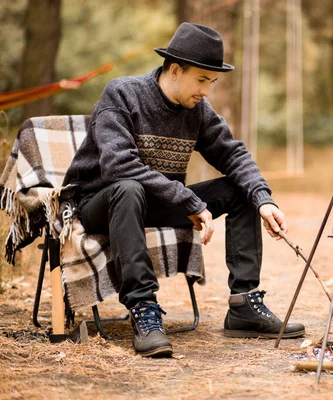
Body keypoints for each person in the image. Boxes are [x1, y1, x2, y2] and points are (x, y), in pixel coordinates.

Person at [63, 22, 305, 357]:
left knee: (241, 190)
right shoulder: (122, 94)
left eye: (212, 82)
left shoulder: (197, 111)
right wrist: (189, 200)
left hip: (156, 201)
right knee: (128, 188)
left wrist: (263, 200)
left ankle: (243, 305)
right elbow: (117, 166)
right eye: (202, 80)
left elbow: (233, 154)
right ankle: (144, 310)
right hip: (101, 203)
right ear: (175, 69)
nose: (207, 91)